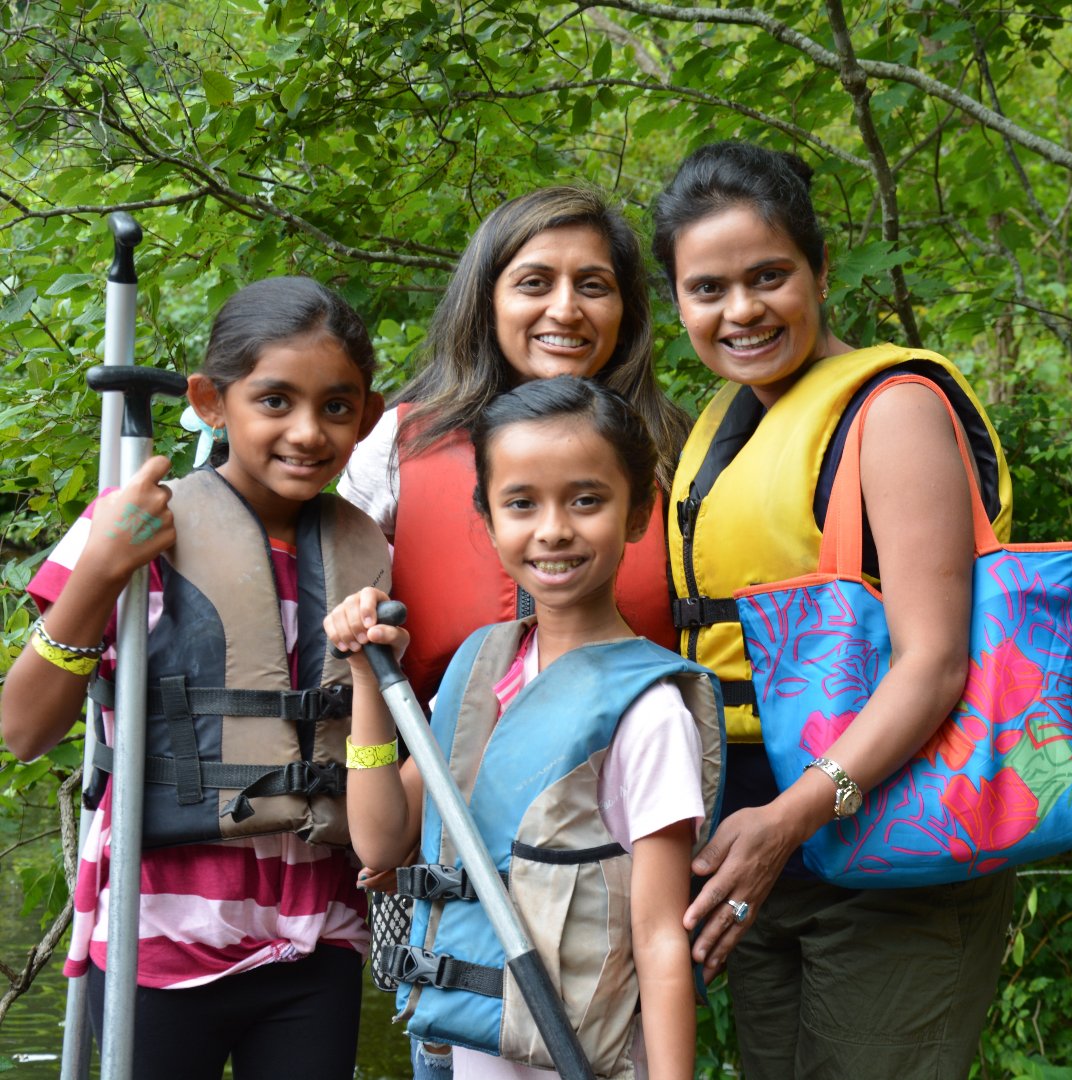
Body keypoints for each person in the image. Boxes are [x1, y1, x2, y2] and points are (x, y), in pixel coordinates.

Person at [651, 141, 1016, 1078]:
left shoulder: (892, 409)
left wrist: (793, 818)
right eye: (708, 289)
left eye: (770, 276)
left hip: (886, 847)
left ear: (820, 270)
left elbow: (934, 662)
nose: (741, 311)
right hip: (762, 852)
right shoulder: (726, 426)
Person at [1, 277, 390, 1079]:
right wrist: (102, 569)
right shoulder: (136, 524)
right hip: (160, 943)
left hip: (317, 942)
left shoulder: (372, 552)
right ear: (212, 401)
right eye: (275, 402)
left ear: (370, 417)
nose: (308, 432)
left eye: (337, 408)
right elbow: (23, 729)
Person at [325, 376, 725, 1080]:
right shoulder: (481, 668)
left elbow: (661, 937)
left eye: (586, 500)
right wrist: (367, 680)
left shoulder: (651, 711)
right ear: (486, 517)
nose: (553, 529)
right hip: (463, 1053)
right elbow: (382, 839)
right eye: (521, 503)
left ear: (636, 514)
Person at [337, 185, 689, 711]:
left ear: (625, 310)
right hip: (439, 762)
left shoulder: (676, 451)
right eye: (534, 283)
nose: (566, 309)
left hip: (627, 754)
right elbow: (324, 590)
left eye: (593, 286)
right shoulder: (397, 442)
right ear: (489, 301)